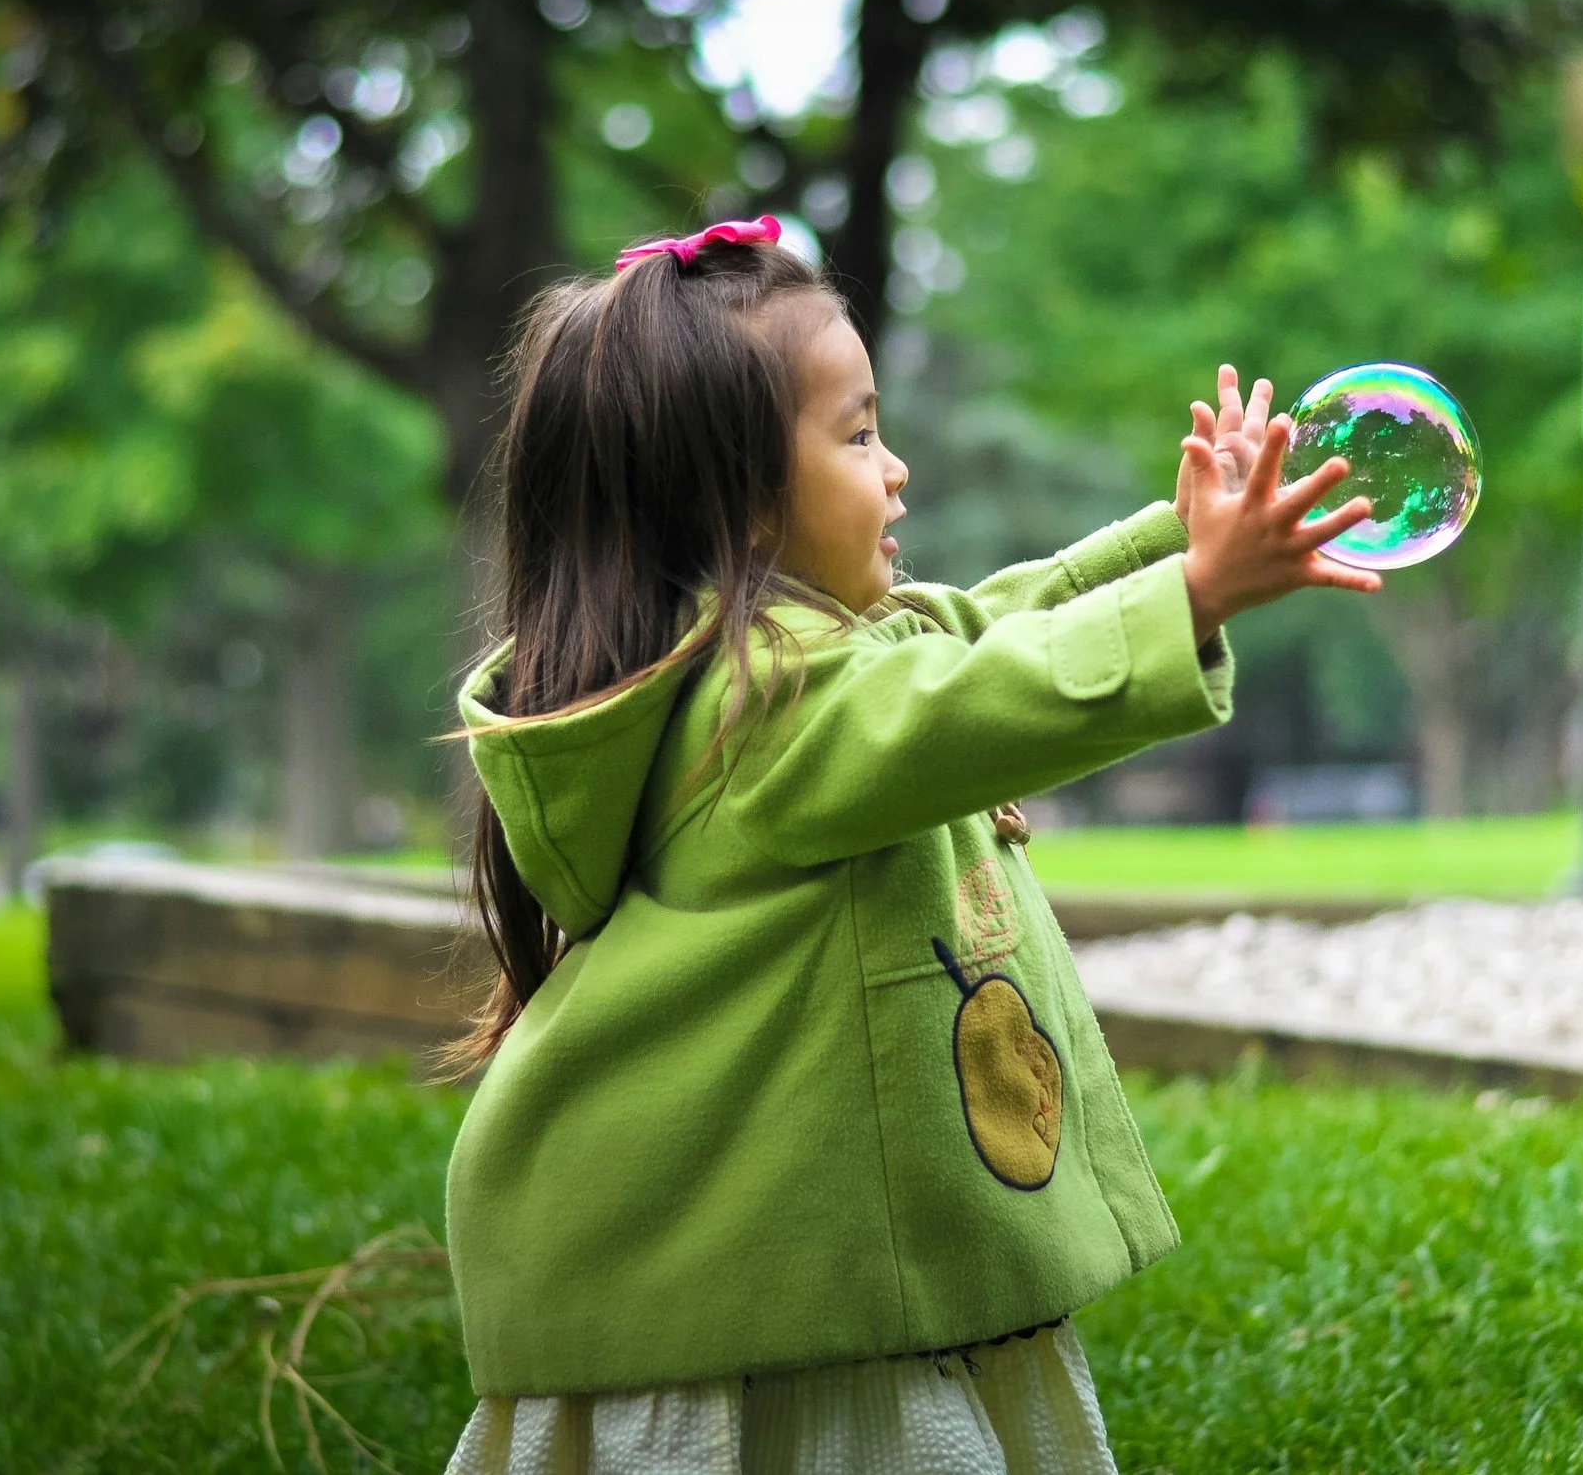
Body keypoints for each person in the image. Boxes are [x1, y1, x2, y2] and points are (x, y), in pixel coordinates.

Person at [439, 216, 1378, 1475]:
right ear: (744, 501)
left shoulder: (803, 661)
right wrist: (1196, 596)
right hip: (775, 1322)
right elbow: (980, 697)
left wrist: (1174, 537)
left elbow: (993, 619)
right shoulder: (764, 710)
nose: (898, 470)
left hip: (812, 1282)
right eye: (859, 431)